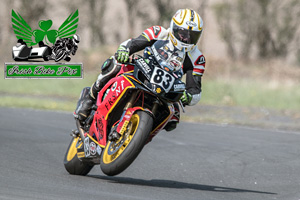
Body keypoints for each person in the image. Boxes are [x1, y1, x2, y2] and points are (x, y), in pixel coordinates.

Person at [75, 9, 205, 131]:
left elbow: (195, 90)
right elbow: (134, 43)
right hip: (144, 69)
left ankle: (141, 134)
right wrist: (124, 50)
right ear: (174, 28)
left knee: (172, 119)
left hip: (167, 87)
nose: (186, 39)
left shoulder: (197, 58)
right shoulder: (159, 32)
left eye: (191, 36)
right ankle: (90, 97)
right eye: (183, 34)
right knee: (115, 64)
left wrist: (189, 97)